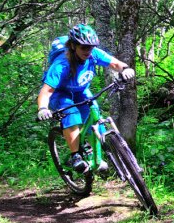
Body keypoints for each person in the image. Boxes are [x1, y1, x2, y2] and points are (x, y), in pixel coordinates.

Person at [37, 24, 135, 172]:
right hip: (61, 93)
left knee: (95, 114)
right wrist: (43, 108)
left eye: (90, 47)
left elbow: (114, 63)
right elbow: (46, 92)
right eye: (83, 47)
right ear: (73, 46)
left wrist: (125, 69)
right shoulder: (61, 65)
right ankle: (75, 156)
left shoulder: (93, 53)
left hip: (81, 91)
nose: (88, 51)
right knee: (71, 115)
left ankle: (97, 156)